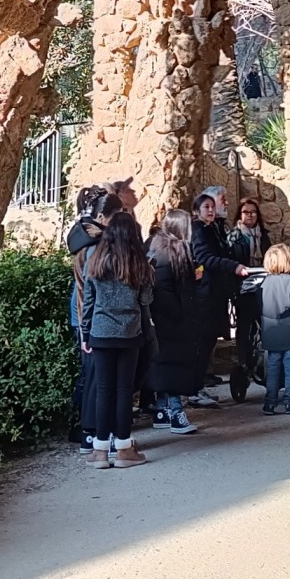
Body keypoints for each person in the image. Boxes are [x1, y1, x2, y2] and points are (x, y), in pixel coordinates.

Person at [79, 208, 154, 468]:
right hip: (129, 333)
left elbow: (88, 301)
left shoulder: (96, 262)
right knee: (124, 392)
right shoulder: (138, 264)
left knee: (103, 390)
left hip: (99, 333)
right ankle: (123, 449)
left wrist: (85, 334)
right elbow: (146, 300)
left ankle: (100, 450)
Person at [148, 209, 210, 434]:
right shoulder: (168, 254)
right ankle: (175, 411)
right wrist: (180, 312)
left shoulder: (163, 249)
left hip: (171, 319)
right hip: (172, 320)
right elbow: (163, 289)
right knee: (172, 367)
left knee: (166, 366)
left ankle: (163, 409)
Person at [191, 187, 251, 399]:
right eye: (206, 207)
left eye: (212, 206)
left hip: (216, 293)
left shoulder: (212, 228)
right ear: (197, 210)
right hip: (205, 295)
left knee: (208, 343)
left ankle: (198, 388)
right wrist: (232, 266)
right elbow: (205, 258)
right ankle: (194, 389)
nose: (211, 210)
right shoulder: (199, 230)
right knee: (202, 343)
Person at [66, 185, 111, 450]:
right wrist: (86, 327)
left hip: (84, 313)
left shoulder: (84, 234)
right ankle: (84, 427)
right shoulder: (93, 239)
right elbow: (89, 288)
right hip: (86, 314)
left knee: (89, 372)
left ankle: (82, 425)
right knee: (90, 372)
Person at [258, 242, 290, 414]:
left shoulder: (263, 283)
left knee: (272, 366)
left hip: (270, 330)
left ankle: (270, 401)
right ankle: (289, 400)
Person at [228, 195, 270, 376]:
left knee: (265, 322)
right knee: (244, 326)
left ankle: (265, 361)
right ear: (240, 215)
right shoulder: (234, 236)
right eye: (246, 212)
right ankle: (243, 362)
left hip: (264, 285)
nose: (250, 216)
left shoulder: (264, 235)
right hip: (243, 287)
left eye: (253, 212)